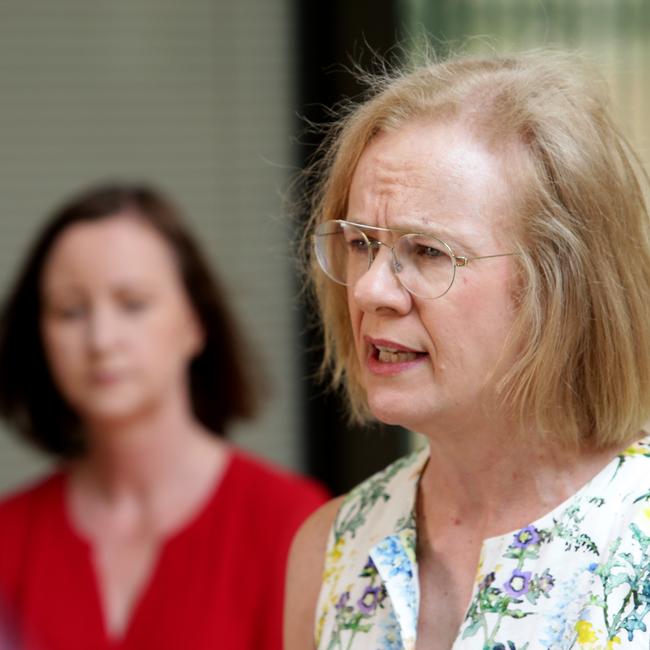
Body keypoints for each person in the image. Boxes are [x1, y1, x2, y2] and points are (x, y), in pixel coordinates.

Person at [284, 50, 650, 649]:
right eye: (360, 243)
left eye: (428, 251)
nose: (372, 289)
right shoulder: (333, 546)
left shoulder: (636, 537)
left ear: (558, 285)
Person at [0, 182, 328, 650]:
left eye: (133, 304)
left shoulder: (293, 526)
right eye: (70, 311)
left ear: (195, 322)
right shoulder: (7, 538)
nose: (101, 339)